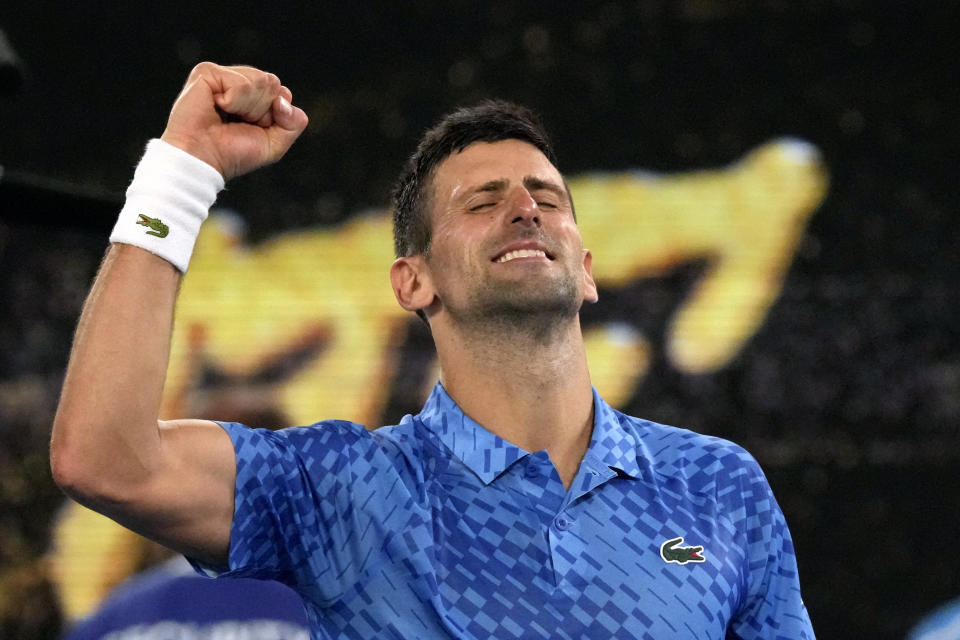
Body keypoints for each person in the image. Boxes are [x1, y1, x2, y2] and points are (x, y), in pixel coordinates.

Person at [51, 62, 814, 639]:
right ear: (412, 283)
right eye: (482, 203)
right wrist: (180, 173)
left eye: (546, 199)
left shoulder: (718, 486)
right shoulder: (342, 489)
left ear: (587, 270)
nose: (524, 209)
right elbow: (105, 458)